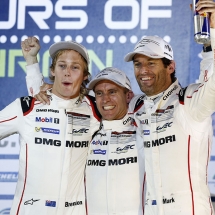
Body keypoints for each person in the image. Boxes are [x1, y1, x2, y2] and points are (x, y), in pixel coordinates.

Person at [124, 0, 215, 214]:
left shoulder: (190, 101)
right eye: (138, 64)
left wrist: (212, 34)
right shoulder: (135, 106)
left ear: (170, 66)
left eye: (151, 63)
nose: (143, 70)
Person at [0, 39, 101, 215]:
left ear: (85, 75)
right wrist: (31, 62)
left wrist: (32, 65)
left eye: (75, 67)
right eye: (62, 66)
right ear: (53, 71)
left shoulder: (95, 109)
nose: (67, 73)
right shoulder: (27, 107)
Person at [85, 67, 145, 214]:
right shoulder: (87, 131)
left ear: (128, 96)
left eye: (112, 92)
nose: (105, 99)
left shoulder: (143, 130)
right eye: (99, 93)